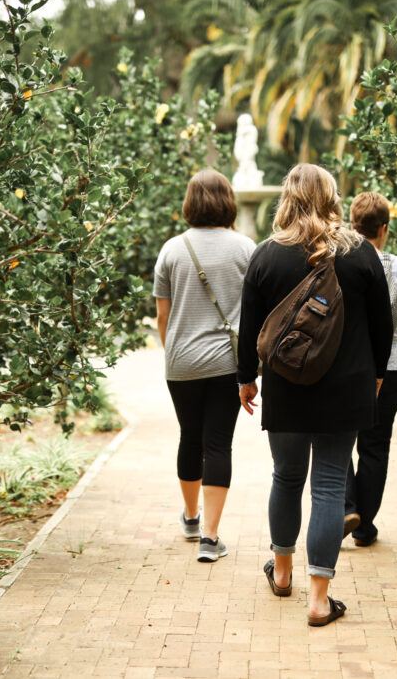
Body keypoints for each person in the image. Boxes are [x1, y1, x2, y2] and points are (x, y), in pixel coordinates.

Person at [237, 164, 393, 626]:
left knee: (285, 477)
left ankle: (282, 574)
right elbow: (384, 325)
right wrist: (378, 375)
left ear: (287, 198)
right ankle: (319, 599)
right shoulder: (361, 253)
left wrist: (247, 378)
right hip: (346, 390)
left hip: (286, 388)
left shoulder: (267, 255)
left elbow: (250, 328)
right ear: (331, 197)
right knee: (328, 486)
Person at [153, 169, 256, 563]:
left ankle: (192, 518)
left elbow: (163, 315)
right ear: (228, 200)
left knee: (189, 437)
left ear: (190, 203)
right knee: (218, 444)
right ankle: (210, 538)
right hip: (227, 364)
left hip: (180, 363)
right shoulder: (246, 248)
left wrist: (173, 351)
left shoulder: (171, 250)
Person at [343, 192, 397, 547]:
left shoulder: (339, 261)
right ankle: (364, 527)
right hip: (392, 367)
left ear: (352, 225)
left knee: (339, 439)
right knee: (376, 445)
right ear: (384, 229)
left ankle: (347, 505)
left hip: (350, 366)